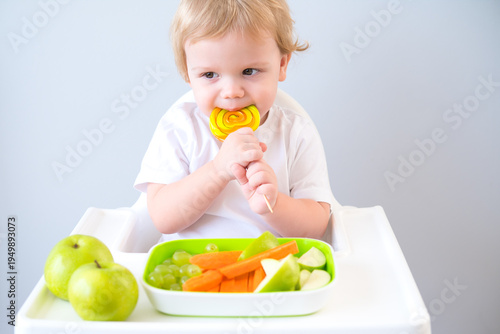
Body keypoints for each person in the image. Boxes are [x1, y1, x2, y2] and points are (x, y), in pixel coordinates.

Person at [134, 0, 336, 241]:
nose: (231, 92)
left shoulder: (296, 133)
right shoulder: (180, 129)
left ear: (281, 65)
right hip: (192, 267)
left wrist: (275, 204)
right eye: (210, 75)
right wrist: (218, 170)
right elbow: (162, 218)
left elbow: (317, 226)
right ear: (187, 74)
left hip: (274, 264)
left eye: (249, 71)